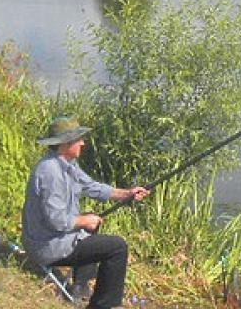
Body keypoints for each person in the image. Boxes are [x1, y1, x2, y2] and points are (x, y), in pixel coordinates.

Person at [22, 116, 148, 309]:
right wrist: (84, 221)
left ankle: (80, 286)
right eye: (78, 139)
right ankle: (103, 305)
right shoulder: (50, 173)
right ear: (65, 144)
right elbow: (56, 221)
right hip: (47, 246)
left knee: (90, 220)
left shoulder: (67, 163)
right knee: (117, 247)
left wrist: (127, 194)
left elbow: (91, 186)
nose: (83, 143)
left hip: (53, 237)